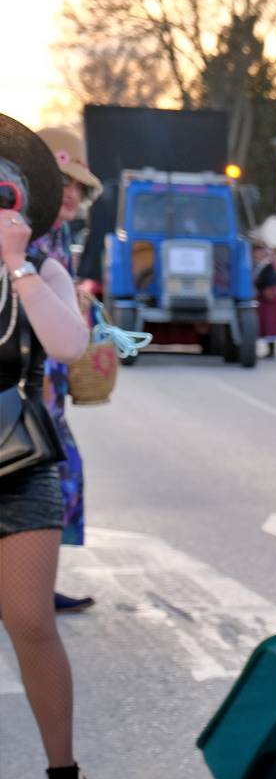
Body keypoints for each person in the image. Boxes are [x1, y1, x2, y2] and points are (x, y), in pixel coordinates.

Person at [1, 117, 94, 779]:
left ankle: (64, 776)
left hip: (20, 463)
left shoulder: (43, 267)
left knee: (31, 623)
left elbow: (69, 346)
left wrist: (19, 267)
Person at [31, 125, 101, 614]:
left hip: (48, 391)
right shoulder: (22, 231)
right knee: (47, 479)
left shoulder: (57, 235)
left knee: (61, 477)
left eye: (78, 185)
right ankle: (27, 588)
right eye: (63, 181)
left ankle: (33, 585)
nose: (72, 192)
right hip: (20, 388)